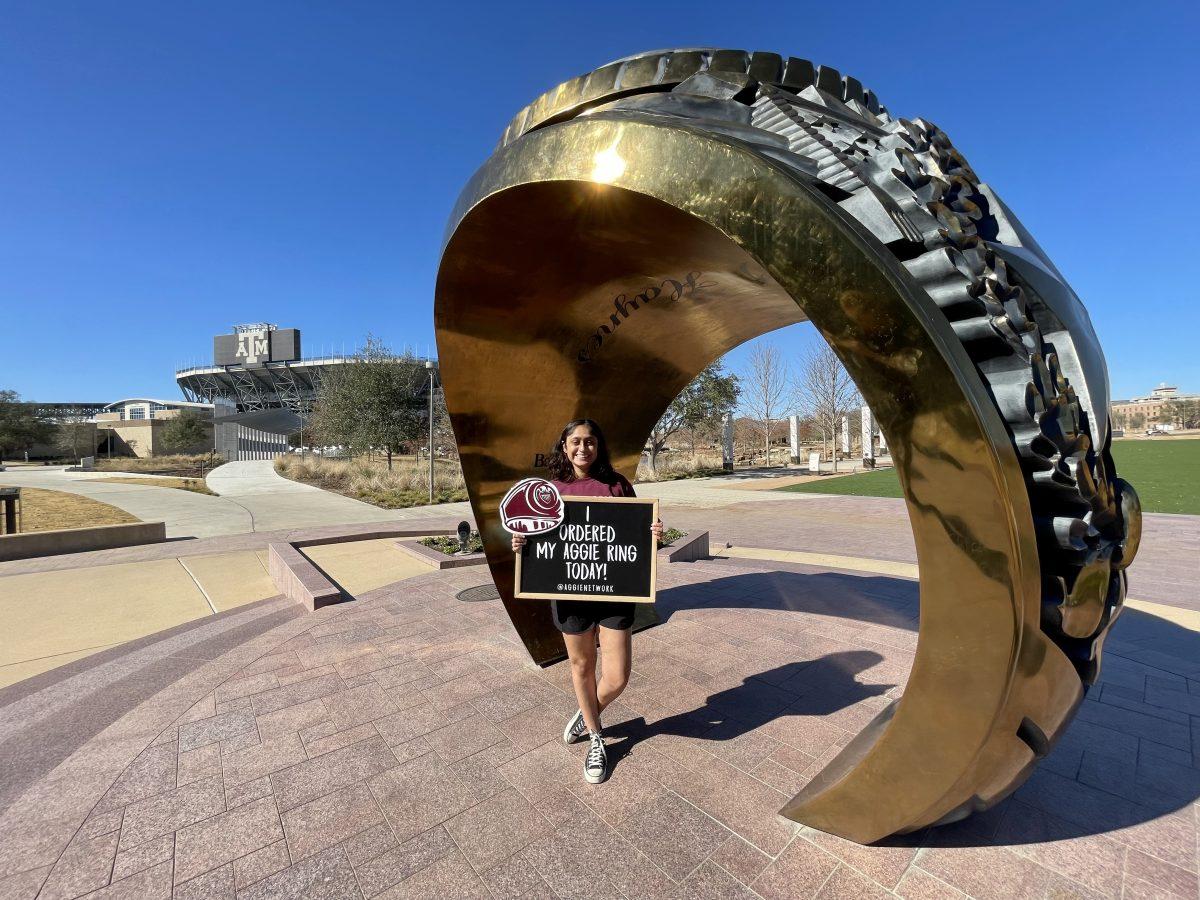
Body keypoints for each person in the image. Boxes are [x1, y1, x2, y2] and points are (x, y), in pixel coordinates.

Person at [511, 418, 662, 784]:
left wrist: (654, 533)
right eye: (575, 441)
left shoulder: (617, 485)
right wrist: (520, 544)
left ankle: (587, 708)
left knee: (617, 675)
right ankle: (597, 738)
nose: (583, 448)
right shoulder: (547, 491)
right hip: (569, 593)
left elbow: (637, 535)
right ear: (564, 447)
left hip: (614, 591)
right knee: (581, 666)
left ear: (599, 446)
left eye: (590, 441)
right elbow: (533, 537)